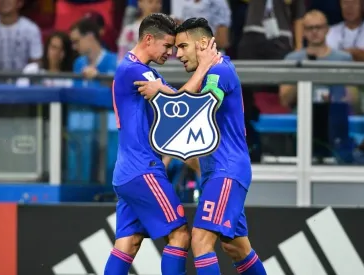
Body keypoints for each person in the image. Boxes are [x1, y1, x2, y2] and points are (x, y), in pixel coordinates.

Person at [136, 17, 267, 275]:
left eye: (183, 46)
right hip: (215, 173)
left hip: (226, 172)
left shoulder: (219, 71)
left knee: (200, 240)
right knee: (236, 249)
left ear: (204, 43)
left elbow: (203, 109)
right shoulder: (209, 74)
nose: (177, 54)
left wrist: (162, 92)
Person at [104, 13, 219, 275]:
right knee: (179, 235)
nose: (172, 52)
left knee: (129, 243)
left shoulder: (138, 69)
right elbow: (181, 105)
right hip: (143, 169)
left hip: (127, 171)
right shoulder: (136, 70)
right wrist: (203, 67)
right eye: (167, 46)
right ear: (147, 39)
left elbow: (177, 100)